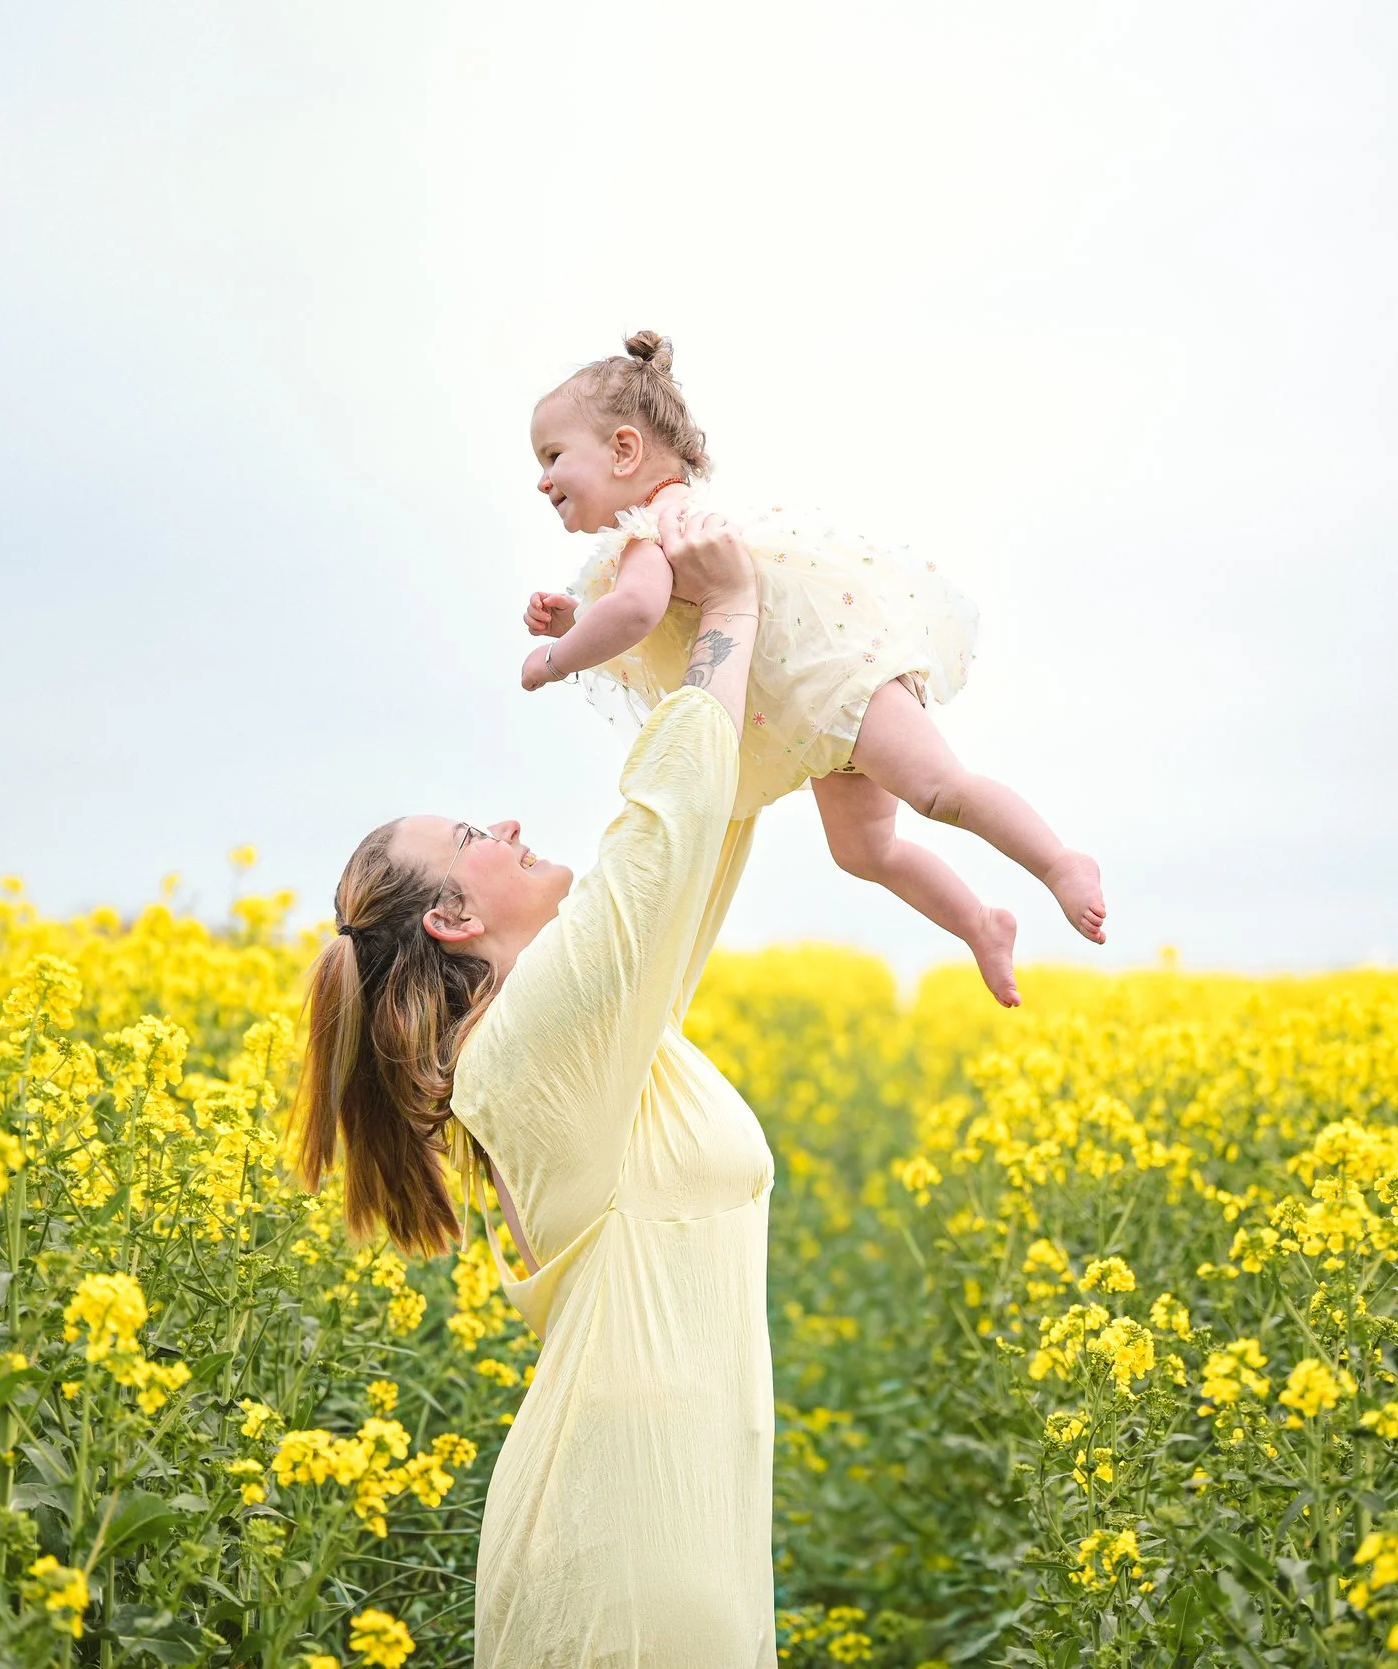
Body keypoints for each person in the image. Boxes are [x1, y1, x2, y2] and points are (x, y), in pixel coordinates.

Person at [297, 503, 777, 1666]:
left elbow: (705, 828)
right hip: (626, 1545)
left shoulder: (591, 1038)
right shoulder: (523, 1052)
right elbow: (657, 838)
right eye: (473, 833)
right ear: (454, 918)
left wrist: (695, 635)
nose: (507, 822)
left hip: (675, 1522)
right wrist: (728, 608)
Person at [519, 330, 1108, 1007]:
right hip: (819, 719)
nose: (542, 479)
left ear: (624, 450)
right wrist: (575, 620)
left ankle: (1059, 862)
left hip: (840, 687)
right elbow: (648, 618)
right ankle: (980, 923)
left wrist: (555, 658)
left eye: (553, 456)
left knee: (939, 790)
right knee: (864, 851)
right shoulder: (661, 529)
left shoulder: (653, 529)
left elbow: (635, 613)